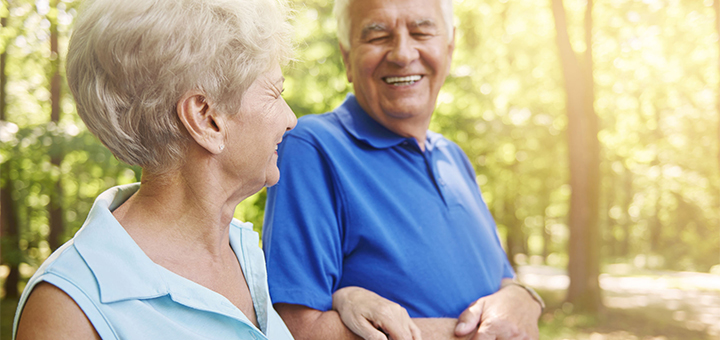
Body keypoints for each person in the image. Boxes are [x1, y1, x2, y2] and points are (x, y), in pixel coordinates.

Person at [11, 0, 300, 338]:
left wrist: (346, 298)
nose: (290, 119)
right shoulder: (69, 309)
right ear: (206, 119)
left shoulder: (241, 249)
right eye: (274, 94)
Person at [262, 0, 545, 338]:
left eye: (422, 31)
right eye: (377, 36)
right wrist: (476, 335)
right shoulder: (313, 147)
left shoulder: (454, 157)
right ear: (347, 58)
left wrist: (524, 298)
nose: (402, 53)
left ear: (450, 49)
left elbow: (501, 281)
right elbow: (296, 329)